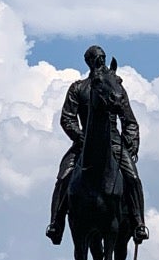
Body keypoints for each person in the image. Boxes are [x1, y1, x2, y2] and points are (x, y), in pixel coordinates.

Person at [46, 44, 149, 246]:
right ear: (89, 62)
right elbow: (67, 118)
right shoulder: (78, 88)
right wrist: (80, 137)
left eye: (102, 57)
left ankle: (138, 222)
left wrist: (131, 142)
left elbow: (129, 120)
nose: (100, 61)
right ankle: (55, 223)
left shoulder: (116, 87)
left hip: (113, 141)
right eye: (96, 58)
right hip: (84, 142)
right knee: (63, 177)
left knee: (133, 178)